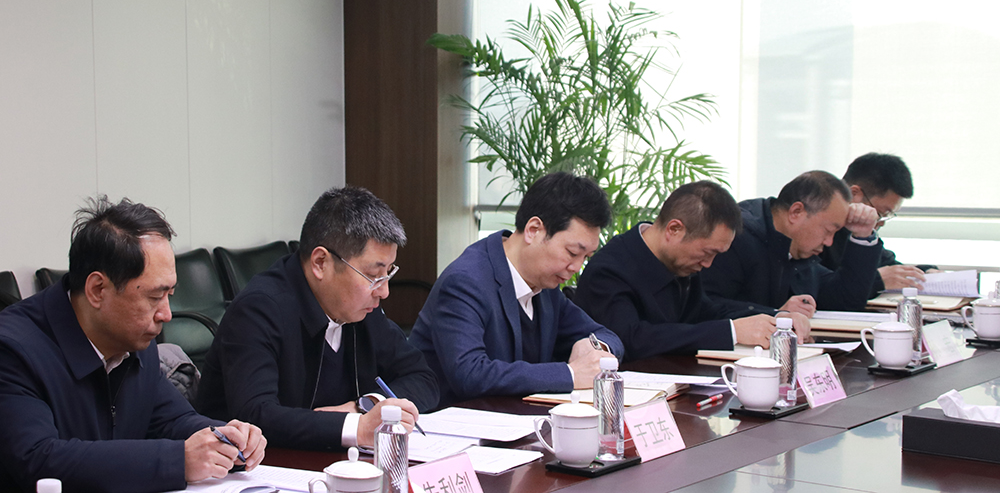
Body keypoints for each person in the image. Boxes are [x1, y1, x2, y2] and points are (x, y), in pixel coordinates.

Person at [0, 197, 266, 493]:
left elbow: (172, 420)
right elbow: (38, 459)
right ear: (97, 289)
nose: (166, 314)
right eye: (154, 297)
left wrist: (225, 439)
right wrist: (179, 461)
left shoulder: (131, 339)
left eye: (169, 295)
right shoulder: (12, 350)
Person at [197, 186, 438, 451]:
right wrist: (358, 427)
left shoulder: (360, 308)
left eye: (388, 273)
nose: (384, 291)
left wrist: (365, 405)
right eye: (373, 275)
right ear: (321, 262)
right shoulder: (258, 310)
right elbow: (256, 415)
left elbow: (423, 377)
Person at [409, 172, 624, 408]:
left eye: (586, 257)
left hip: (517, 419)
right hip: (452, 422)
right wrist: (571, 374)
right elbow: (470, 374)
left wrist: (595, 349)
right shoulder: (465, 281)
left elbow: (607, 336)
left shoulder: (546, 283)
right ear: (534, 230)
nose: (576, 267)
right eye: (572, 253)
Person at [575, 181, 810, 360]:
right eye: (707, 253)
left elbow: (706, 310)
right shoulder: (610, 270)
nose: (708, 264)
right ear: (674, 229)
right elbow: (631, 339)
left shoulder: (682, 263)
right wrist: (732, 332)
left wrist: (774, 317)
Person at [701, 171, 881, 315]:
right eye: (828, 230)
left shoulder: (796, 247)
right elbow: (704, 306)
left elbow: (843, 301)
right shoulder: (736, 236)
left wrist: (862, 235)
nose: (829, 242)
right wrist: (775, 314)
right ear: (796, 212)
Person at [820, 153, 929, 296]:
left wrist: (926, 272)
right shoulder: (817, 228)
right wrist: (877, 279)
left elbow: (887, 264)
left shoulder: (855, 231)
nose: (881, 222)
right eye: (881, 213)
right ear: (854, 194)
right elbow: (821, 289)